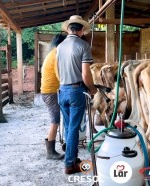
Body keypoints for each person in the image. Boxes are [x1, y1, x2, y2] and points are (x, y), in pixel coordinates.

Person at [57, 15, 97, 174]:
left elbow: (59, 71)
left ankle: (72, 158)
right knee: (73, 128)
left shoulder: (59, 47)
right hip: (76, 91)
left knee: (68, 127)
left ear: (68, 29)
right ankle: (69, 165)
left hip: (62, 90)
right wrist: (93, 90)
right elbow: (86, 75)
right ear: (81, 30)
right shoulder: (84, 45)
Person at [41, 34, 66, 160]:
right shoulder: (57, 55)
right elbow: (60, 76)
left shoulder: (53, 53)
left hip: (49, 92)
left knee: (56, 120)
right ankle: (50, 153)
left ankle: (52, 150)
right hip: (50, 93)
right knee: (55, 121)